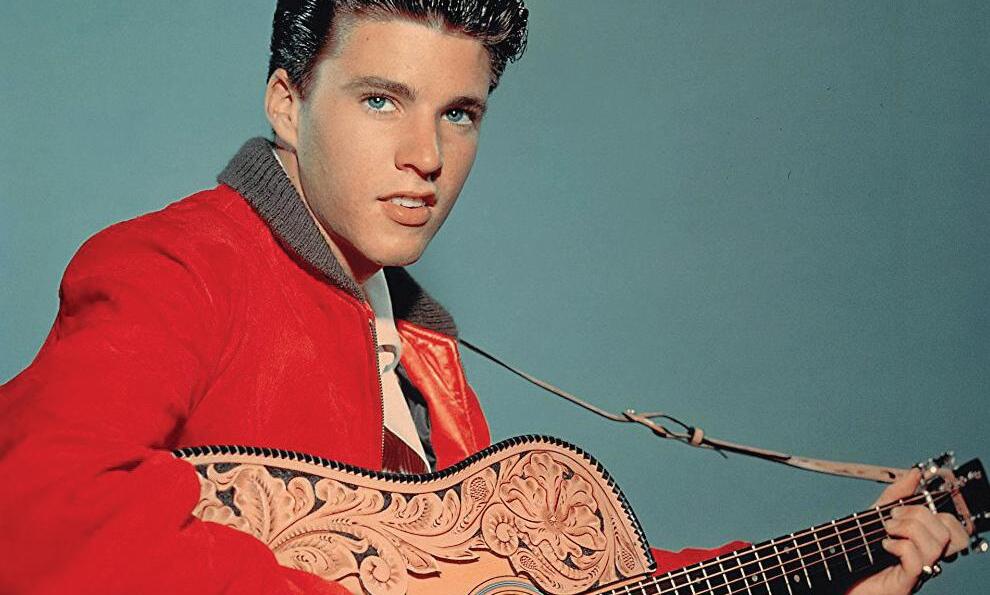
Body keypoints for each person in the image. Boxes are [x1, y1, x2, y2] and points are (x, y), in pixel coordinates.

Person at [0, 1, 968, 593]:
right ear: (288, 102)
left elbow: (560, 582)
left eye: (458, 113)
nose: (425, 155)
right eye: (381, 99)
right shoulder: (178, 264)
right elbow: (34, 511)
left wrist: (842, 560)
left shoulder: (420, 346)